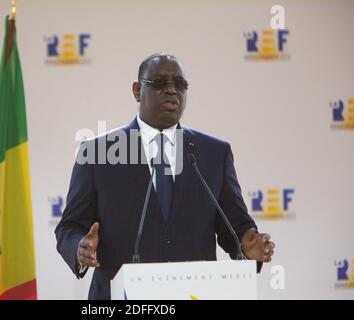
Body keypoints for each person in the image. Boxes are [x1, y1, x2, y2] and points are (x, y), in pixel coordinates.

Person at [55, 53, 275, 300]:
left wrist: (247, 248)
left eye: (179, 84)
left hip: (196, 293)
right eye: (159, 83)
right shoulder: (98, 153)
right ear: (137, 90)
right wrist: (80, 249)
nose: (171, 90)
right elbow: (70, 227)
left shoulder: (213, 153)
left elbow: (235, 227)